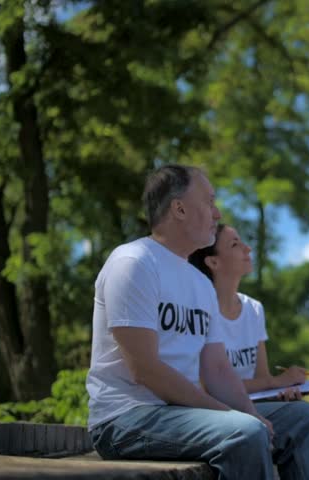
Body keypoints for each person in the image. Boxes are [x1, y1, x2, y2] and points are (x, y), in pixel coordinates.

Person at [85, 165, 284, 479]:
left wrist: (251, 412)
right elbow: (145, 370)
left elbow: (217, 368)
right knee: (244, 433)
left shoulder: (200, 284)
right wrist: (233, 416)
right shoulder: (133, 262)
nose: (217, 214)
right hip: (126, 419)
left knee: (304, 421)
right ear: (179, 208)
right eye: (209, 202)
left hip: (180, 415)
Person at [189, 224, 309, 480]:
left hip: (250, 407)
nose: (247, 248)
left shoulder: (254, 309)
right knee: (258, 429)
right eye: (235, 244)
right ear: (213, 262)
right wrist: (275, 382)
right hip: (214, 410)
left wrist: (280, 393)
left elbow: (262, 381)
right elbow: (208, 386)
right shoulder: (198, 309)